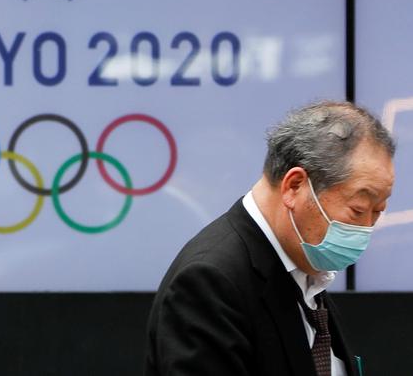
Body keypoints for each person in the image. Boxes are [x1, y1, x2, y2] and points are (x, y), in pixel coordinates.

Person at [144, 101, 396, 376]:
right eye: (358, 210)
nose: (366, 228)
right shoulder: (211, 282)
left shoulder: (304, 267)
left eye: (378, 212)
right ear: (295, 186)